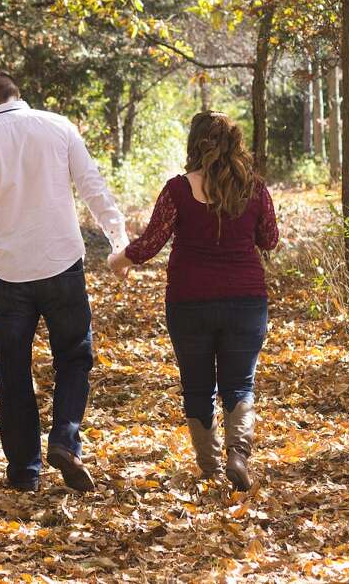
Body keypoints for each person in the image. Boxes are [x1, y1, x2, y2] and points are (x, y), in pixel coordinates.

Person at [0, 71, 129, 493]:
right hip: (61, 265)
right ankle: (65, 437)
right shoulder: (58, 126)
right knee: (75, 358)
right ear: (17, 96)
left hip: (8, 276)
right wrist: (120, 242)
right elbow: (93, 188)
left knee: (13, 372)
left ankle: (25, 472)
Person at [108, 111, 278, 491]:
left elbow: (152, 241)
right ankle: (238, 454)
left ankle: (210, 467)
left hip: (190, 301)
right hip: (246, 301)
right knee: (240, 384)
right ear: (235, 143)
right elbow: (269, 239)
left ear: (194, 144)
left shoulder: (178, 189)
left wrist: (120, 259)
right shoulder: (254, 188)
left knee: (198, 386)